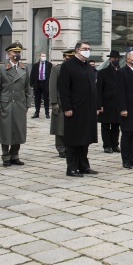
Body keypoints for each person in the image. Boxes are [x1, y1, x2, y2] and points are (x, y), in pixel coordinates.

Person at [59, 40, 100, 177]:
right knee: (74, 139)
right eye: (84, 48)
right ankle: (71, 167)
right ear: (77, 50)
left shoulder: (88, 66)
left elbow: (93, 88)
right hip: (75, 109)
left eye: (89, 48)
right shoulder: (68, 66)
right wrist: (67, 107)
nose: (87, 50)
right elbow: (63, 89)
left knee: (86, 139)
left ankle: (84, 165)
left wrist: (97, 105)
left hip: (88, 109)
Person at [0, 42, 31, 167]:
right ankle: (5, 156)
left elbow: (27, 88)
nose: (17, 54)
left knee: (18, 130)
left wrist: (27, 104)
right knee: (6, 130)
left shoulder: (24, 68)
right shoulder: (1, 68)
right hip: (6, 103)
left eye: (19, 52)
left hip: (19, 103)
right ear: (9, 54)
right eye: (15, 52)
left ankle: (15, 155)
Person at [50, 49, 74, 158]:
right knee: (60, 127)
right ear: (64, 57)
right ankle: (61, 148)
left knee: (70, 127)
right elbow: (52, 86)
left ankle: (70, 147)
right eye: (68, 57)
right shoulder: (57, 68)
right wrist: (54, 102)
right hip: (60, 102)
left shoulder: (76, 68)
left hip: (73, 102)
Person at [97, 50, 122, 154]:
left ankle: (115, 144)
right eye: (113, 59)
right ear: (110, 59)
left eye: (117, 59)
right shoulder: (103, 72)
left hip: (118, 103)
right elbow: (98, 90)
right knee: (106, 125)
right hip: (106, 103)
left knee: (116, 125)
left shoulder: (121, 71)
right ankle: (106, 145)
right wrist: (99, 104)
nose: (115, 60)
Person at [29, 51, 52, 119]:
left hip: (45, 83)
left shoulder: (49, 65)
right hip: (38, 83)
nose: (43, 57)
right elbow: (32, 75)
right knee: (37, 99)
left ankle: (47, 113)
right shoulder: (35, 65)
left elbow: (51, 75)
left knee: (46, 99)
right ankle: (37, 112)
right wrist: (31, 84)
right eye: (42, 56)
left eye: (44, 56)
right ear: (39, 57)